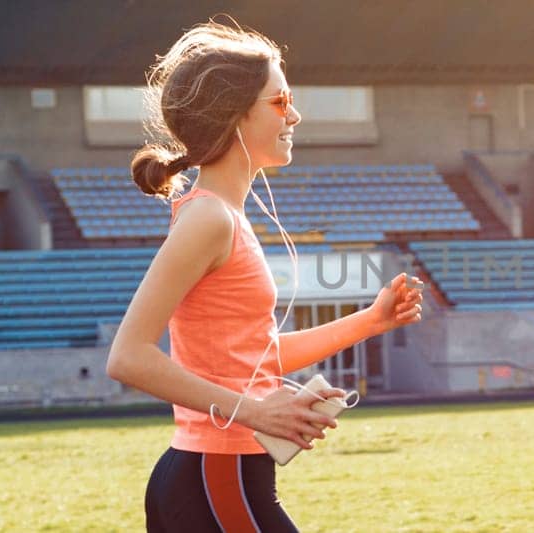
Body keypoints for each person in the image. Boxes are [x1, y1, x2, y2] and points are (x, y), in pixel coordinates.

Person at [105, 18, 424, 532]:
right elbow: (128, 357)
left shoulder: (223, 216)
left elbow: (255, 358)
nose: (294, 114)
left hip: (212, 476)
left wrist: (370, 321)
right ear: (234, 116)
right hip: (216, 477)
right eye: (279, 102)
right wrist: (255, 414)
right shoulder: (209, 218)